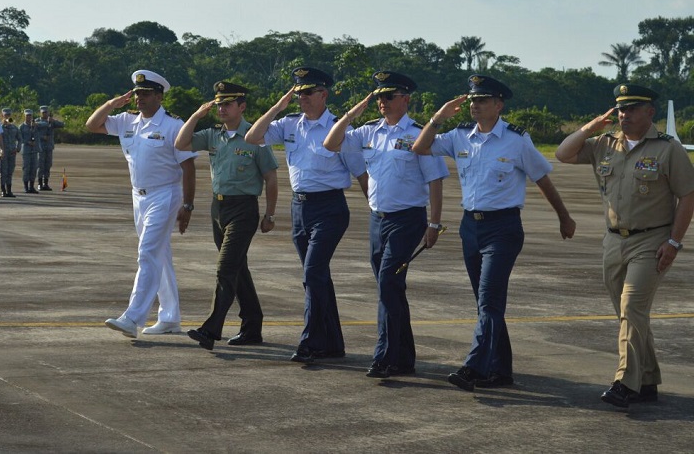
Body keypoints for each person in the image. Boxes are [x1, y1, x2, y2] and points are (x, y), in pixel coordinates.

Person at [411, 74, 576, 391]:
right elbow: (420, 147)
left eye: (482, 100)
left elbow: (542, 179)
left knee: (488, 302)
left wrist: (564, 217)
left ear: (498, 105)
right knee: (487, 304)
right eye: (472, 99)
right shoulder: (460, 136)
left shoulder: (516, 140)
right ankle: (501, 372)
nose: (475, 105)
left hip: (503, 228)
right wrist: (438, 116)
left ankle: (474, 367)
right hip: (470, 227)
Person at [555, 83, 694, 408]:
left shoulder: (667, 148)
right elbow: (563, 153)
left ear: (650, 112)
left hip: (652, 240)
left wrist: (674, 241)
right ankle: (647, 380)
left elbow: (688, 195)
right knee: (630, 315)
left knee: (632, 309)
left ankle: (625, 383)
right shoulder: (604, 144)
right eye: (621, 109)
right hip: (614, 240)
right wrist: (591, 127)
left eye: (632, 109)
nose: (624, 115)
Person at [324, 71, 449, 378]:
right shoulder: (368, 132)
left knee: (388, 284)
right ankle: (404, 358)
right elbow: (330, 143)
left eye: (388, 96)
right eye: (378, 96)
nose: (382, 101)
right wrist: (354, 112)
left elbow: (435, 180)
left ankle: (385, 356)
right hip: (377, 221)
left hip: (407, 220)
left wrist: (434, 223)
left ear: (405, 99)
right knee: (391, 288)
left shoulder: (418, 135)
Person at [245, 67, 368, 363]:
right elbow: (252, 136)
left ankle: (311, 342)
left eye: (307, 93)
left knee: (312, 273)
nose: (302, 98)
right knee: (318, 277)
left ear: (323, 94)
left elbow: (362, 173)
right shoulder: (288, 125)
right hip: (299, 208)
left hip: (330, 208)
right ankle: (333, 344)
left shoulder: (340, 129)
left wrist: (378, 211)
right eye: (298, 93)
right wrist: (277, 106)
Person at [85, 69, 197, 338]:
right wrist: (112, 104)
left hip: (166, 194)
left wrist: (188, 205)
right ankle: (170, 317)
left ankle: (132, 318)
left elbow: (189, 166)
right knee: (160, 255)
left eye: (145, 94)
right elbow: (92, 125)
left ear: (159, 96)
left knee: (147, 253)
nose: (139, 99)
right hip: (139, 196)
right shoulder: (127, 122)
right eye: (136, 94)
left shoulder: (173, 125)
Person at [175, 81, 279, 350]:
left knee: (225, 269)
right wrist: (198, 115)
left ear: (241, 107)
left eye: (227, 104)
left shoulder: (255, 137)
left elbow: (271, 177)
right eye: (219, 104)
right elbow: (181, 142)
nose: (221, 108)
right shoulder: (212, 135)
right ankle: (252, 325)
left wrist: (269, 214)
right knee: (237, 269)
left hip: (244, 209)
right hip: (218, 208)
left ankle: (210, 330)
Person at [34, 105, 64, 190]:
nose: (45, 114)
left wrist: (53, 121)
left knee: (48, 165)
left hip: (49, 147)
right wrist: (42, 137)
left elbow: (62, 125)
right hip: (41, 147)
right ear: (40, 113)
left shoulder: (51, 121)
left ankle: (45, 183)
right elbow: (34, 132)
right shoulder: (37, 121)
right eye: (43, 112)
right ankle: (39, 183)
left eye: (46, 112)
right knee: (41, 165)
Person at [0, 107, 22, 198]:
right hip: (3, 153)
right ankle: (3, 190)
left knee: (10, 171)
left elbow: (20, 139)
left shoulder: (14, 128)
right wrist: (0, 150)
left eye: (8, 115)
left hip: (12, 152)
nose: (7, 117)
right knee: (3, 171)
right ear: (2, 116)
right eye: (5, 115)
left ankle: (9, 190)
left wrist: (17, 148)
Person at [19, 109, 40, 193]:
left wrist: (35, 125)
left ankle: (31, 186)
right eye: (27, 115)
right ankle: (26, 186)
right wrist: (27, 142)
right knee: (26, 168)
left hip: (34, 150)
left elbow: (44, 125)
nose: (29, 117)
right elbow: (20, 138)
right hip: (26, 150)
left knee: (34, 168)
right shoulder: (22, 126)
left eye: (30, 115)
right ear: (24, 116)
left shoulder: (35, 126)